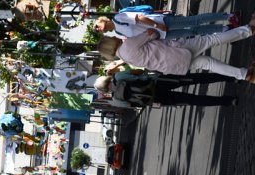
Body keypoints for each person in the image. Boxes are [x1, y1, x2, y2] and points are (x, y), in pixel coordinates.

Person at [97, 17, 255, 81]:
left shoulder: (124, 57)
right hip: (176, 49)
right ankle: (248, 30)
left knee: (208, 64)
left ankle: (243, 74)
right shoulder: (128, 44)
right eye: (111, 38)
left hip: (174, 64)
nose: (113, 36)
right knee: (210, 40)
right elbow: (152, 33)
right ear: (110, 42)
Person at [94, 71, 240, 108]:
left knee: (192, 100)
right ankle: (230, 77)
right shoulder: (118, 76)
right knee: (194, 79)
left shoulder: (115, 100)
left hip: (155, 99)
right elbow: (138, 72)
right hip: (158, 82)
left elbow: (132, 105)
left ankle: (228, 101)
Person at [93, 11, 239, 39]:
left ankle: (228, 16)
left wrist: (157, 26)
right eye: (97, 30)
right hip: (162, 35)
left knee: (193, 21)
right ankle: (224, 28)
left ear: (102, 20)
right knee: (193, 32)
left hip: (162, 23)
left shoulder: (118, 18)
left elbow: (140, 17)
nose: (98, 29)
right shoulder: (118, 33)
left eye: (96, 26)